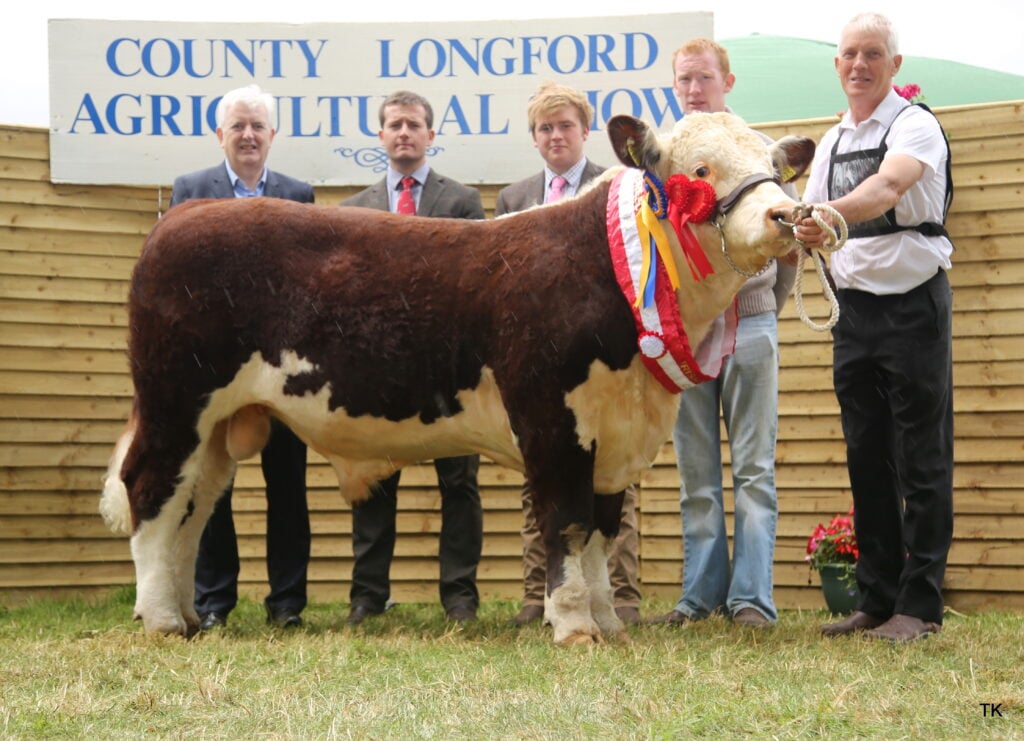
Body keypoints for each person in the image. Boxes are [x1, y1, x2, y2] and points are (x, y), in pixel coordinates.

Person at [796, 12, 954, 642]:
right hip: (853, 312)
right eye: (849, 54)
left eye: (872, 54)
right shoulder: (831, 140)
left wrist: (824, 214)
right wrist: (791, 227)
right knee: (866, 458)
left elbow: (889, 187)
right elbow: (803, 215)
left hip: (913, 305)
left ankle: (920, 606)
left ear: (895, 65)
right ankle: (876, 598)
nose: (858, 64)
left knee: (922, 458)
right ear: (837, 66)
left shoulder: (916, 126)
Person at [648, 38, 795, 629]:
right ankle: (699, 596)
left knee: (755, 468)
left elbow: (784, 240)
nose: (693, 90)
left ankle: (752, 600)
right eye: (683, 80)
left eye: (704, 78)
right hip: (688, 331)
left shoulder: (758, 150)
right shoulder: (660, 158)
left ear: (727, 83)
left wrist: (760, 307)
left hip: (751, 320)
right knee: (696, 472)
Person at [495, 82, 642, 627]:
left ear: (585, 130)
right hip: (535, 359)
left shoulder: (621, 189)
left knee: (611, 475)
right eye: (545, 128)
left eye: (565, 126)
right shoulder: (514, 198)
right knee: (539, 473)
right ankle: (542, 593)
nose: (556, 136)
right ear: (535, 139)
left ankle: (620, 593)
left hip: (602, 354)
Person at [170, 84, 314, 631]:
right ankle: (213, 603)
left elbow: (310, 287)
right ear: (220, 135)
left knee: (288, 485)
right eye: (238, 126)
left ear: (272, 135)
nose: (248, 135)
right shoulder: (190, 190)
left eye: (258, 126)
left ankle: (287, 604)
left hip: (282, 372)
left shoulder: (298, 195)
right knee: (212, 484)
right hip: (215, 368)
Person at [340, 90, 485, 625]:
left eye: (414, 124)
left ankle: (460, 598)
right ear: (380, 135)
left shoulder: (463, 202)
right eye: (394, 124)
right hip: (379, 373)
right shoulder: (353, 212)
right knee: (373, 479)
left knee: (460, 482)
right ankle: (366, 596)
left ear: (430, 135)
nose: (404, 132)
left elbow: (474, 285)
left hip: (449, 369)